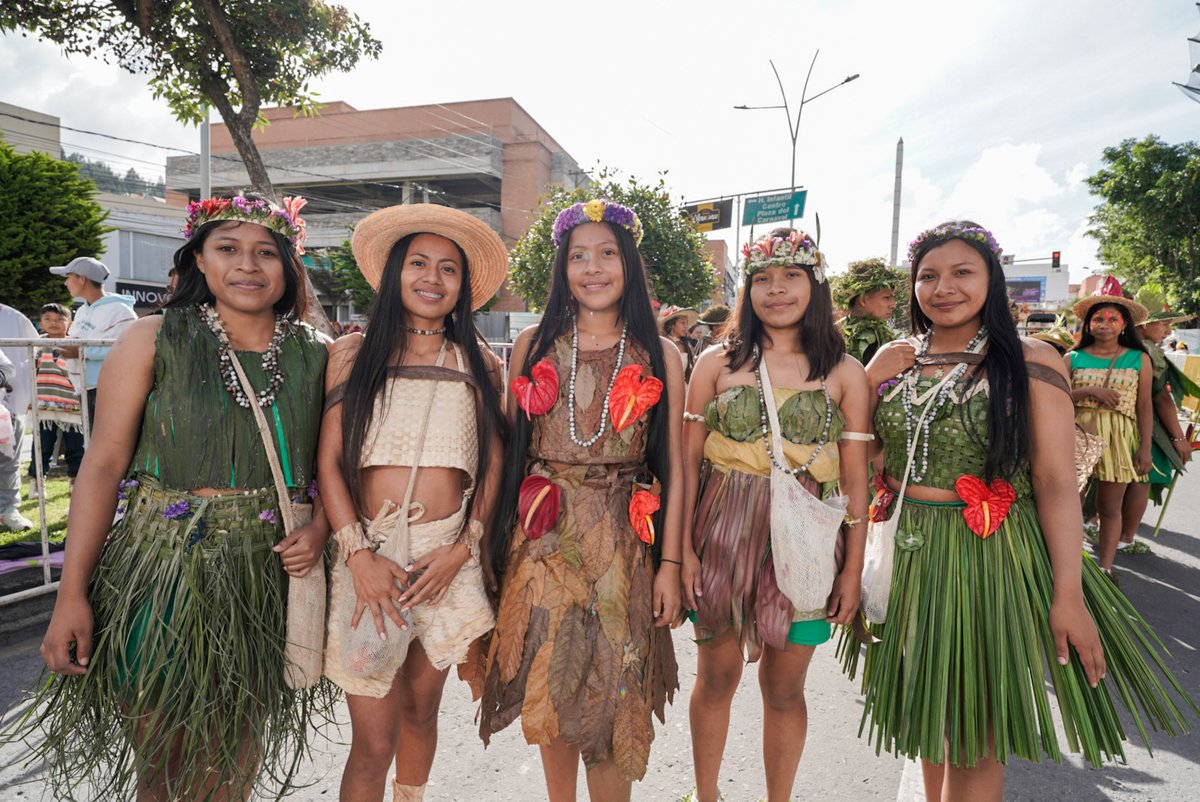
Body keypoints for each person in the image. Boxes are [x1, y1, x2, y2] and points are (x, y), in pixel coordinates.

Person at [851, 221, 1193, 802]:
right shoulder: (895, 360)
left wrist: (1068, 593)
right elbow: (865, 461)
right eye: (928, 276)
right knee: (927, 715)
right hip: (904, 554)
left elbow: (1056, 482)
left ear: (992, 279)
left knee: (977, 733)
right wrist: (867, 381)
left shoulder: (1031, 359)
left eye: (963, 272)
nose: (943, 287)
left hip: (991, 557)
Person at [26, 192, 330, 801]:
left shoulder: (318, 354)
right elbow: (102, 467)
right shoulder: (152, 338)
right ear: (198, 259)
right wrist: (70, 598)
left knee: (236, 757)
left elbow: (340, 467)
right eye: (228, 248)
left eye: (267, 252)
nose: (248, 264)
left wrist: (320, 525)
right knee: (161, 757)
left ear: (289, 267)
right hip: (159, 569)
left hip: (261, 578)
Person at [478, 199, 684, 802]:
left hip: (625, 540)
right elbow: (508, 457)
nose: (592, 268)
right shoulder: (532, 345)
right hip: (543, 540)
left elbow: (673, 465)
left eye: (607, 254)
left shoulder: (661, 355)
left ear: (630, 264)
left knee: (614, 688)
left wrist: (670, 565)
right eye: (578, 257)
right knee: (549, 675)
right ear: (561, 268)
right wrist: (490, 553)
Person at [319, 204, 508, 802]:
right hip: (368, 559)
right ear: (395, 272)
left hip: (445, 560)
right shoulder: (352, 356)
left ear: (463, 286)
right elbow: (328, 462)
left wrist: (465, 547)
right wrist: (355, 553)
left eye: (448, 268)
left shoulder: (481, 363)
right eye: (419, 263)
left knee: (422, 712)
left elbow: (496, 463)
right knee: (373, 738)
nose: (433, 277)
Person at [679, 229, 870, 802]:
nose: (776, 290)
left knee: (785, 689)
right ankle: (706, 795)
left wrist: (852, 571)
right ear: (747, 290)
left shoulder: (844, 372)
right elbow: (686, 466)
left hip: (808, 540)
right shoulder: (715, 362)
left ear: (815, 285)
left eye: (791, 277)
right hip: (718, 531)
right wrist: (680, 552)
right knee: (715, 677)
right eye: (762, 279)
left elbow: (856, 483)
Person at [1067, 279, 1152, 577]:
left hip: (1120, 440)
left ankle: (1104, 567)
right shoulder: (1071, 357)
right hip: (1076, 436)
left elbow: (1144, 406)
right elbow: (1057, 398)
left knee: (1109, 508)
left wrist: (1144, 448)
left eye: (1112, 319)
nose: (1105, 324)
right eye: (1098, 318)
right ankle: (1069, 562)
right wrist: (1090, 391)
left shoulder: (1139, 358)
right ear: (1088, 324)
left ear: (1123, 324)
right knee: (1069, 505)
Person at [48, 256, 137, 431]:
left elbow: (128, 349)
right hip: (84, 388)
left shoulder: (120, 311)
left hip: (107, 389)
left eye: (69, 277)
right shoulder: (82, 311)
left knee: (108, 441)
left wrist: (80, 352)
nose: (66, 283)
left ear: (82, 279)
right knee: (92, 441)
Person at [26, 304, 85, 489]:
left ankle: (76, 481)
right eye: (48, 319)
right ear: (41, 323)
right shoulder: (35, 345)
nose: (54, 323)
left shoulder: (75, 345)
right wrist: (29, 398)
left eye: (60, 319)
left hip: (72, 404)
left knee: (76, 447)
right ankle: (37, 482)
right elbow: (29, 373)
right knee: (42, 446)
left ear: (70, 323)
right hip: (44, 404)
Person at [0, 303, 39, 530]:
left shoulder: (14, 318)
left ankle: (7, 511)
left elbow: (8, 368)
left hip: (6, 411)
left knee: (8, 463)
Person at [835, 257, 902, 364]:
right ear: (863, 300)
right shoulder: (869, 338)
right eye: (886, 298)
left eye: (892, 297)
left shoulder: (834, 330)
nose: (893, 304)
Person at [661, 305, 699, 379]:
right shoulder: (662, 344)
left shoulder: (687, 345)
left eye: (687, 323)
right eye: (682, 323)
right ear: (672, 325)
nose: (686, 326)